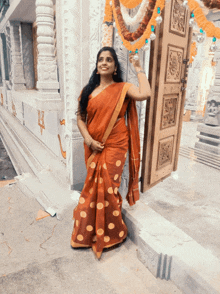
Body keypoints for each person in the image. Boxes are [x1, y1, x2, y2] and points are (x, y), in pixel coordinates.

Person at [71, 46, 151, 259]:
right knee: (92, 188)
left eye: (109, 60)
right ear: (97, 67)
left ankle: (112, 233)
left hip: (115, 144)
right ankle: (89, 234)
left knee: (108, 187)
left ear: (115, 67)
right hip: (93, 145)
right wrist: (88, 139)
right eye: (100, 60)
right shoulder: (87, 91)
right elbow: (80, 119)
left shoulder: (123, 88)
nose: (104, 62)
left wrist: (139, 68)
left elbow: (145, 93)